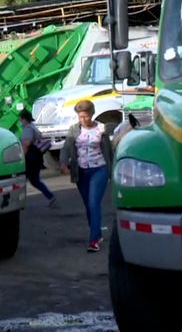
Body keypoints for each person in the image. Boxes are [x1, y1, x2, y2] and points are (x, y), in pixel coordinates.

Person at [60, 100, 113, 252]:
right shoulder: (74, 130)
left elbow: (109, 151)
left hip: (99, 169)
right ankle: (97, 232)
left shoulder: (101, 129)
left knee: (93, 203)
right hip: (81, 172)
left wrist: (113, 169)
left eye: (86, 116)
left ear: (92, 114)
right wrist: (63, 162)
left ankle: (94, 240)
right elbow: (66, 148)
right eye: (80, 117)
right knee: (88, 206)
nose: (83, 120)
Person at [18, 109, 57, 208]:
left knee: (21, 180)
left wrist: (21, 158)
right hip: (36, 158)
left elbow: (26, 144)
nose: (20, 121)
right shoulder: (33, 127)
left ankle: (18, 201)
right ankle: (50, 196)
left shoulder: (28, 129)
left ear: (24, 119)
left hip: (30, 159)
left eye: (20, 119)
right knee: (34, 180)